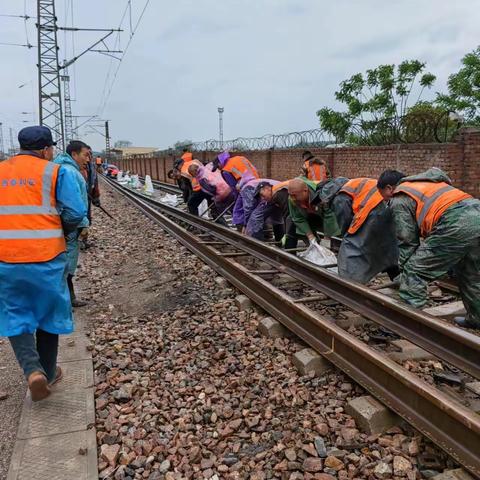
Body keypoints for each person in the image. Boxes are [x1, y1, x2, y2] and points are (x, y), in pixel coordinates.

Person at [0, 126, 86, 401]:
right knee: (48, 314)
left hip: (6, 258)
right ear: (46, 149)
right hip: (47, 256)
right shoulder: (54, 171)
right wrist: (60, 227)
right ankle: (48, 373)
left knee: (16, 314)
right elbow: (75, 212)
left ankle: (32, 370)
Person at [377, 167, 480, 329]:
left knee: (415, 271)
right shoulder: (427, 184)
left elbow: (407, 240)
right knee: (470, 272)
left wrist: (405, 272)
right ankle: (477, 318)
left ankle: (408, 325)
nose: (386, 202)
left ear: (389, 188)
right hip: (476, 210)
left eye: (384, 197)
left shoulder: (400, 197)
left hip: (457, 222)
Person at [314, 177, 399, 283]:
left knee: (350, 247)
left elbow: (346, 221)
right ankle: (397, 278)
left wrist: (347, 237)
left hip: (372, 212)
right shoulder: (354, 183)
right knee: (386, 245)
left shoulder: (340, 196)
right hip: (386, 207)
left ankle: (351, 283)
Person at [54, 141, 91, 307]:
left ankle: (68, 296)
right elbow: (74, 204)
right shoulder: (69, 171)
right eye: (85, 155)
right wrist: (80, 225)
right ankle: (67, 299)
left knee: (64, 260)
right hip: (69, 225)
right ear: (74, 154)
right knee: (67, 262)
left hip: (61, 223)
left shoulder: (61, 167)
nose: (88, 159)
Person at [287, 177, 340, 249]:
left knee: (332, 238)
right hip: (309, 216)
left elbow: (329, 216)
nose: (292, 198)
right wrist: (310, 236)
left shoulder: (321, 195)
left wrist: (326, 238)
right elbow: (297, 218)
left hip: (324, 216)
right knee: (291, 223)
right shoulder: (292, 199)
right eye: (290, 195)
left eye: (294, 195)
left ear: (305, 191)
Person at [249, 180, 293, 245]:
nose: (262, 199)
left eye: (262, 195)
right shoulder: (275, 196)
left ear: (267, 189)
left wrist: (286, 234)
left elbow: (288, 214)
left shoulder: (279, 193)